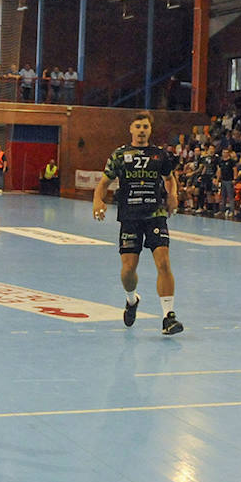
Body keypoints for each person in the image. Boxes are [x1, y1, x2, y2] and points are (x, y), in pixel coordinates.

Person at [92, 111, 184, 335]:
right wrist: (97, 201)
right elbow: (104, 182)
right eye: (138, 126)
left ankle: (168, 317)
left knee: (163, 262)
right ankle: (131, 300)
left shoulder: (159, 155)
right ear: (131, 129)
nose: (142, 130)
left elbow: (170, 178)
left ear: (150, 130)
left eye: (146, 127)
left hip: (155, 214)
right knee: (128, 270)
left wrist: (173, 195)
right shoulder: (120, 155)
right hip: (130, 217)